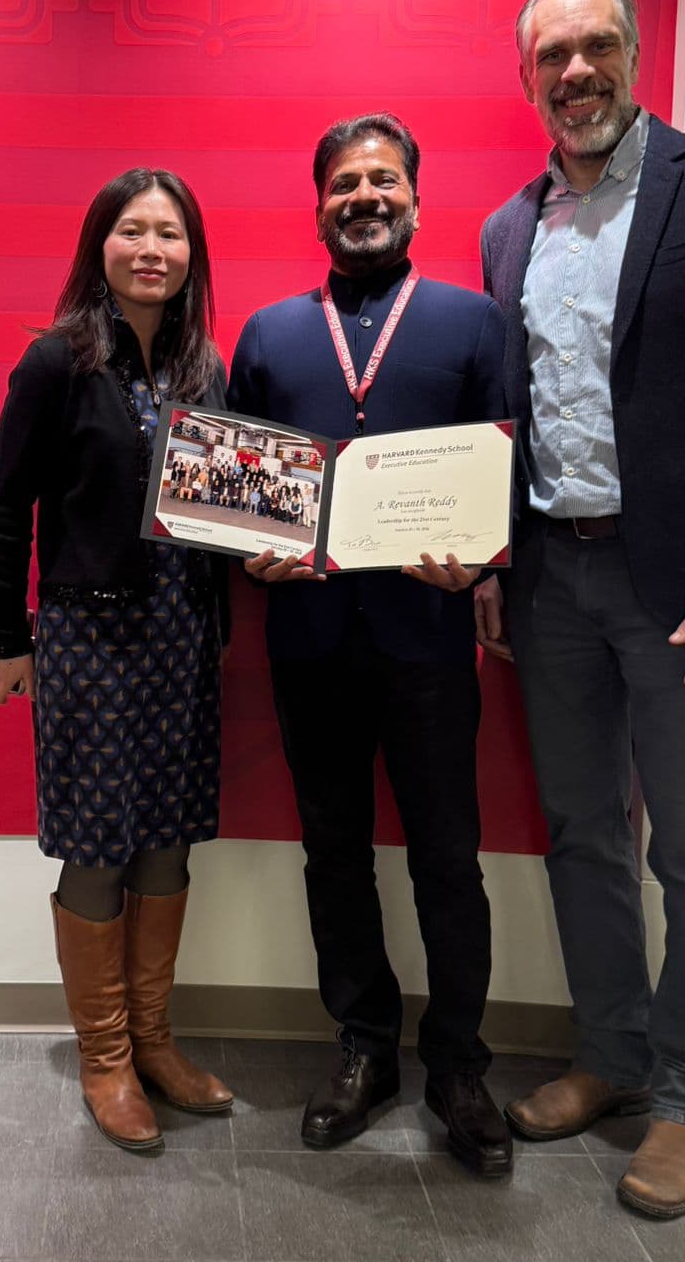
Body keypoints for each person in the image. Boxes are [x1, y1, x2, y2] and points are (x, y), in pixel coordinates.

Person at [476, 0, 685, 1218]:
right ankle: (611, 1055)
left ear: (631, 52)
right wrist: (499, 568)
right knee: (580, 832)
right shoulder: (508, 230)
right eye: (550, 56)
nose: (575, 72)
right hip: (552, 575)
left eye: (595, 45)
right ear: (526, 81)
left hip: (684, 587)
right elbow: (516, 422)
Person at [228, 113, 513, 1178]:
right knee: (332, 850)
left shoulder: (470, 323)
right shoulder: (267, 333)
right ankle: (362, 1045)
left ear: (412, 200)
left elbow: (500, 473)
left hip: (429, 637)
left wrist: (481, 562)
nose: (363, 195)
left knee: (447, 856)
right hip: (306, 639)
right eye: (343, 181)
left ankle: (457, 1065)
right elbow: (237, 493)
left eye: (382, 179)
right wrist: (247, 552)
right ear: (318, 206)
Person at [0, 167, 235, 1152]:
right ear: (100, 246)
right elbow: (6, 508)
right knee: (97, 844)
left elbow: (233, 497)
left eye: (169, 234)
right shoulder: (55, 361)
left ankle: (156, 1042)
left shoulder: (203, 367)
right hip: (87, 636)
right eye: (132, 231)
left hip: (181, 632)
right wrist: (6, 636)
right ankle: (104, 1056)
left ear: (189, 255)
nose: (150, 250)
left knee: (166, 836)